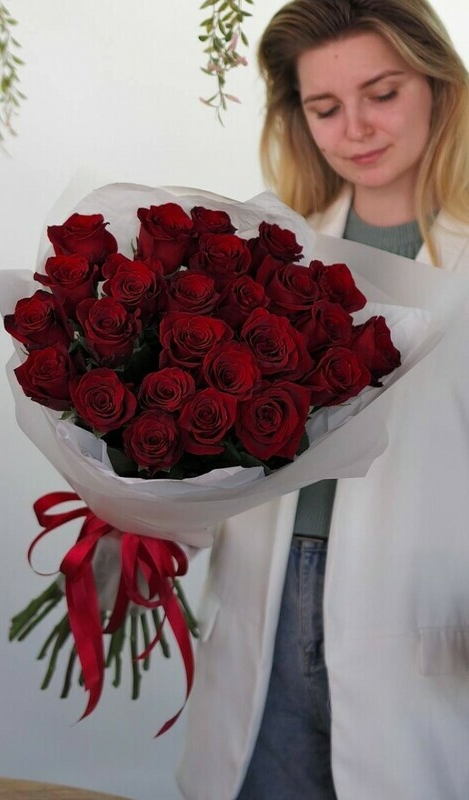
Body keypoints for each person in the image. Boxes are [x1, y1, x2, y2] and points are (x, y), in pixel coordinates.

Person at [176, 1, 469, 799]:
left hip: (428, 631)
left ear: (438, 86)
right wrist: (147, 514)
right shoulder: (264, 249)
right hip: (263, 618)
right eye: (326, 107)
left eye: (383, 93)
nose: (357, 130)